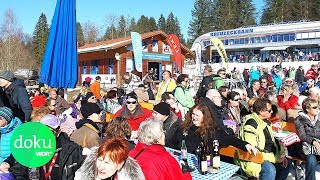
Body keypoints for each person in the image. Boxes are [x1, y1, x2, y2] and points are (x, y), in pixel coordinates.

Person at [167, 103, 257, 155]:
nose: (194, 117)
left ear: (204, 117)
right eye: (193, 114)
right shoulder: (184, 128)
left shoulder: (212, 131)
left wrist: (245, 145)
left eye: (197, 115)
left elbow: (229, 138)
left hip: (202, 164)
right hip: (182, 162)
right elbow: (171, 143)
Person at [239, 98, 292, 179]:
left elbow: (274, 141)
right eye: (269, 110)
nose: (272, 112)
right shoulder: (251, 124)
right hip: (254, 159)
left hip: (268, 155)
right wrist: (275, 159)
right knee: (270, 169)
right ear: (260, 111)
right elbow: (253, 151)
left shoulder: (266, 122)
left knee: (287, 164)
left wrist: (281, 155)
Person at [75, 138, 145, 180]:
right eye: (100, 160)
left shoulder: (129, 177)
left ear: (120, 164)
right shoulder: (83, 175)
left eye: (107, 163)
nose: (101, 167)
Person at [294, 98, 320, 180]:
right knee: (311, 159)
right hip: (304, 148)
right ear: (307, 109)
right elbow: (302, 136)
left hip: (318, 148)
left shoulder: (318, 119)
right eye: (314, 107)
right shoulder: (299, 120)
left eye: (318, 106)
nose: (317, 109)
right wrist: (313, 141)